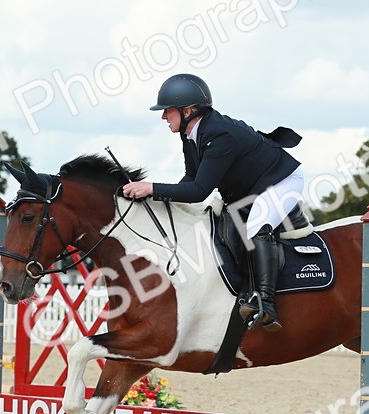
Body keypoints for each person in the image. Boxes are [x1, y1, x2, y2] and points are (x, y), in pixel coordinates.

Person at [121, 73, 305, 331]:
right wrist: (163, 200)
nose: (163, 117)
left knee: (256, 226)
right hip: (249, 188)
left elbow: (198, 191)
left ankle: (266, 302)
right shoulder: (190, 134)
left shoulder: (219, 135)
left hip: (281, 181)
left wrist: (150, 188)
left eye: (168, 111)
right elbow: (190, 178)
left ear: (188, 111)